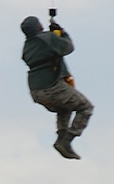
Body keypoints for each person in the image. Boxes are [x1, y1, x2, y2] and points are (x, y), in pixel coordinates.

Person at [20, 14, 92, 158]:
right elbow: (68, 47)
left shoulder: (27, 47)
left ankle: (61, 138)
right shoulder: (48, 39)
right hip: (52, 86)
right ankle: (67, 140)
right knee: (85, 107)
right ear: (37, 26)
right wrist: (62, 33)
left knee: (65, 107)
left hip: (36, 92)